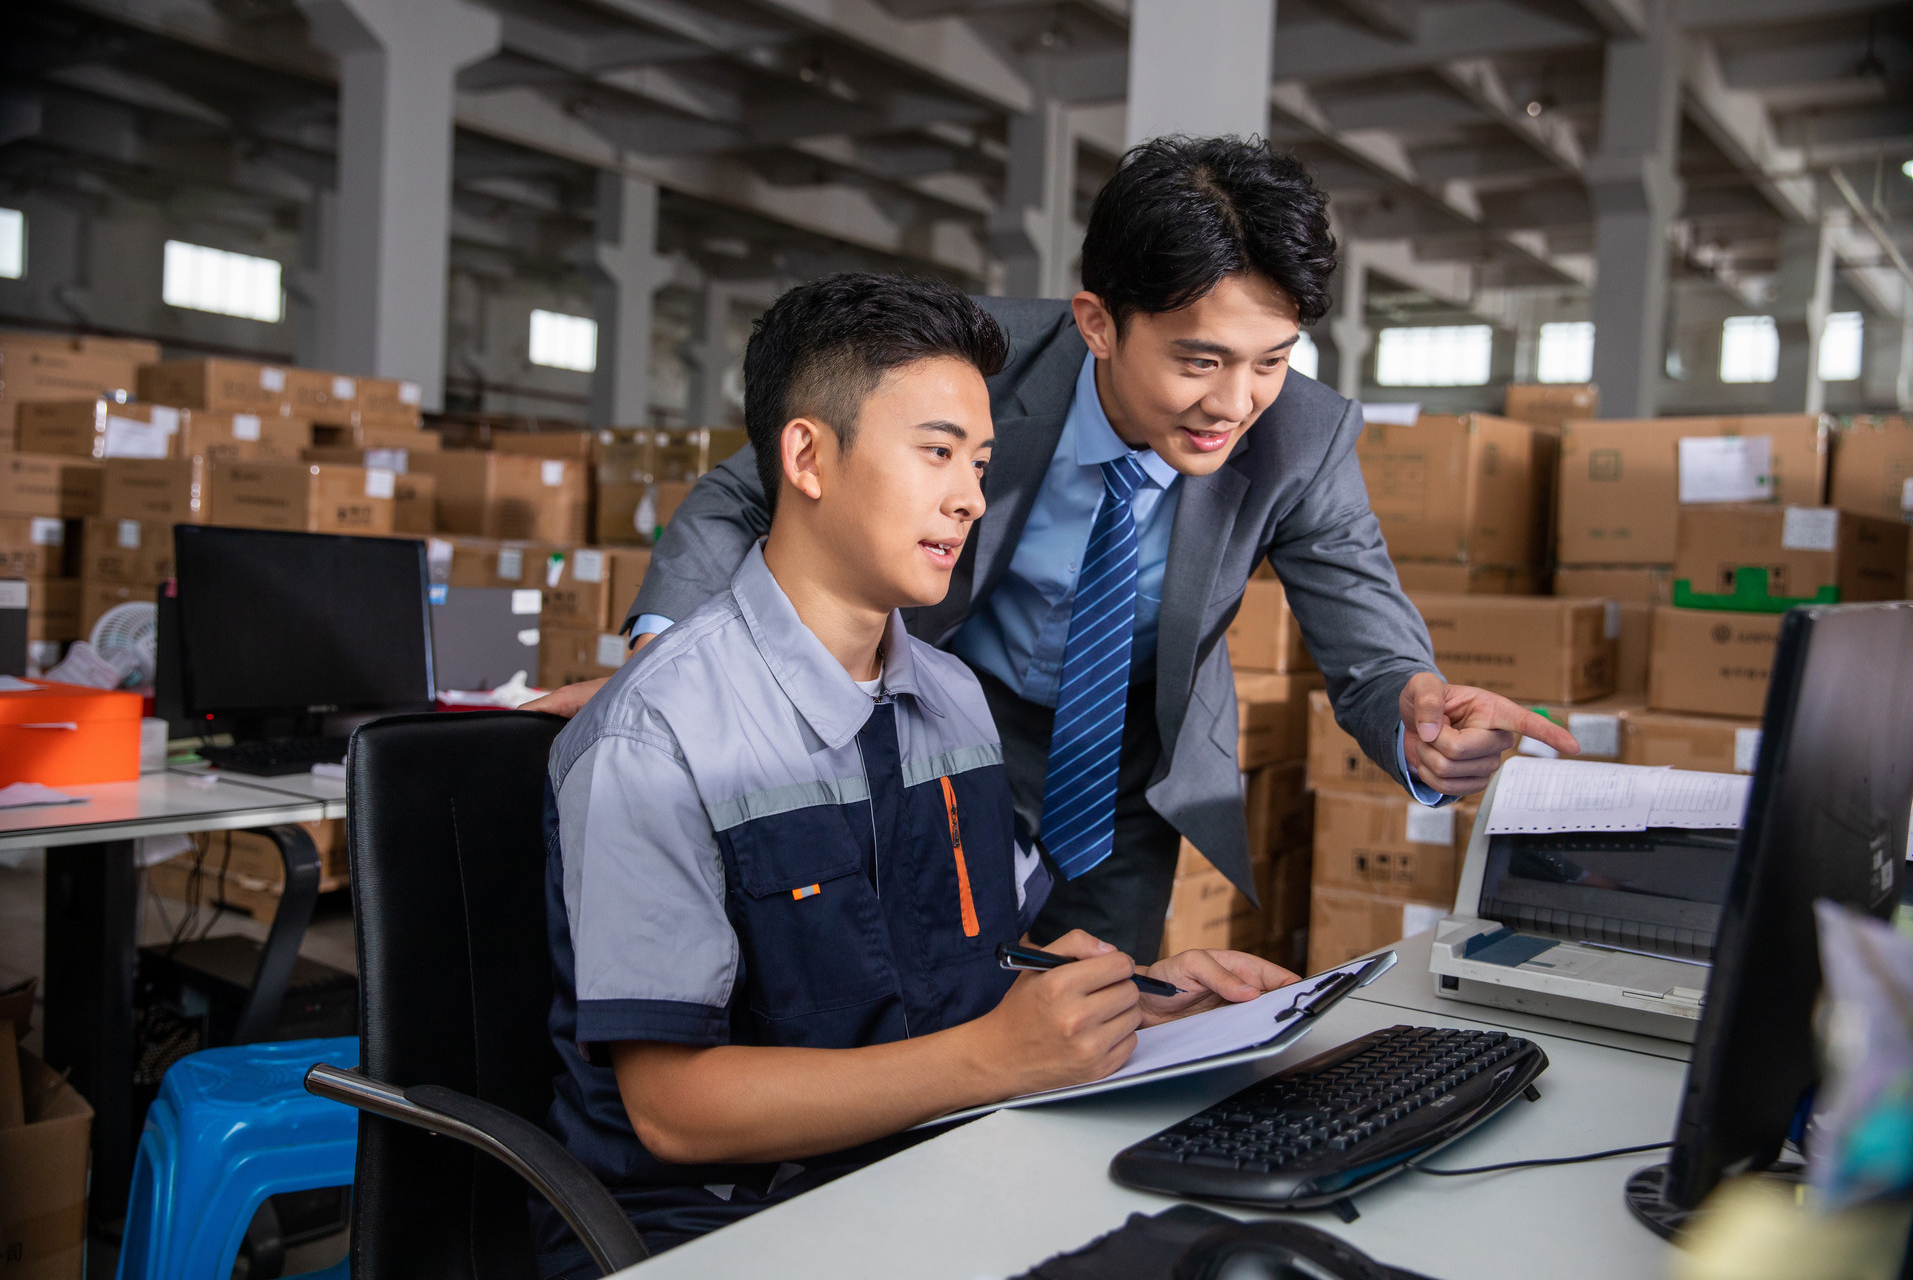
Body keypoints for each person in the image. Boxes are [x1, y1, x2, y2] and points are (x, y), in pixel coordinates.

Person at [529, 136, 1578, 963]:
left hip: (1121, 772)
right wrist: (665, 662)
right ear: (1097, 322)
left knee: (1096, 1021)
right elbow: (736, 491)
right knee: (912, 999)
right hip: (935, 720)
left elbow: (1372, 643)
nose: (1235, 403)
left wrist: (1417, 710)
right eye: (1199, 359)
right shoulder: (968, 363)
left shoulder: (1300, 435)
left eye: (1270, 360)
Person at [536, 273, 1297, 1273]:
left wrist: (1135, 999)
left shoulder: (950, 699)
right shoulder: (658, 736)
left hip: (930, 1166)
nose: (971, 496)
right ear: (806, 454)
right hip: (718, 1227)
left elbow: (979, 955)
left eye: (978, 461)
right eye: (936, 451)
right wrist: (989, 1061)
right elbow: (672, 1108)